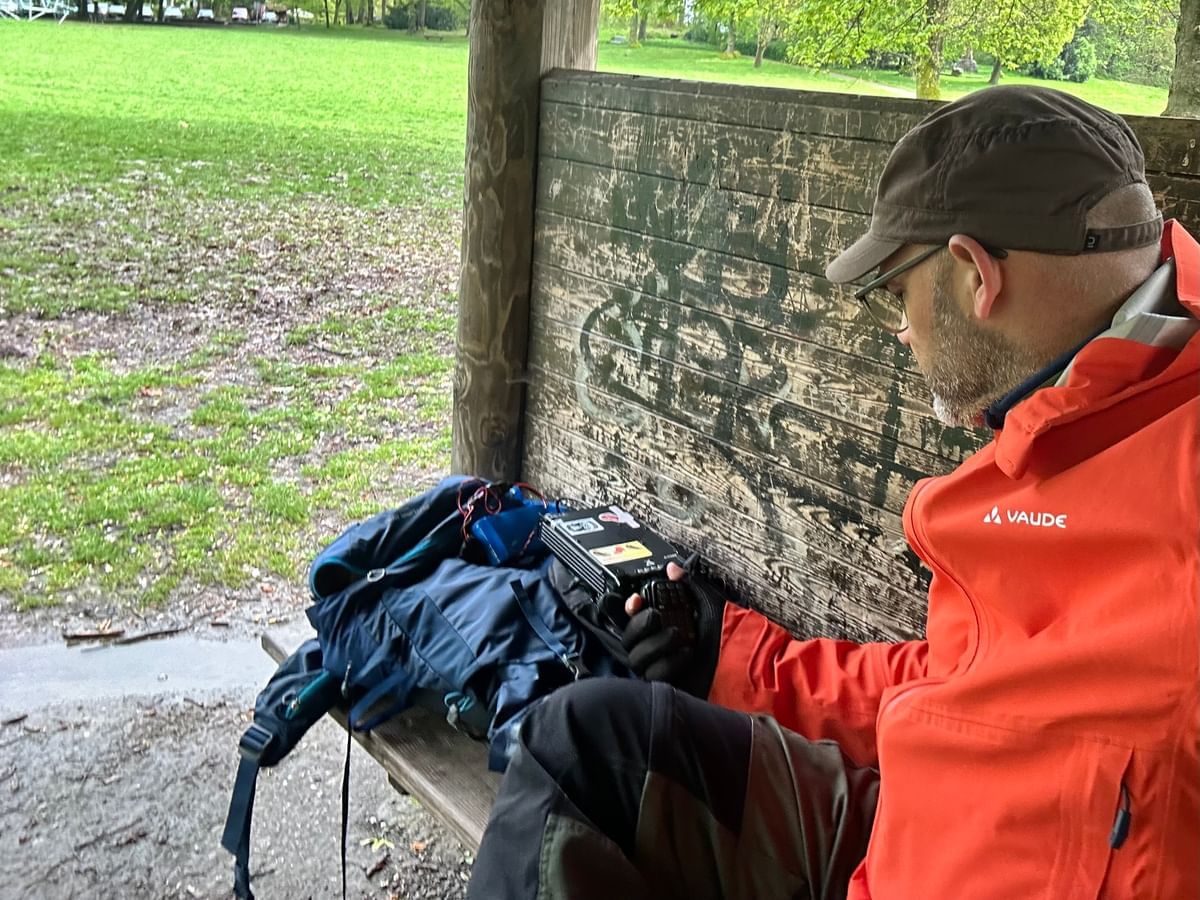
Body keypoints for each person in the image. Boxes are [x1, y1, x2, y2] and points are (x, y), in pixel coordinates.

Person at [466, 86, 1199, 899]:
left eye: (896, 294)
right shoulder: (1089, 418)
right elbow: (962, 681)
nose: (900, 330)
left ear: (975, 275)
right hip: (910, 817)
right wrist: (730, 657)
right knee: (587, 739)